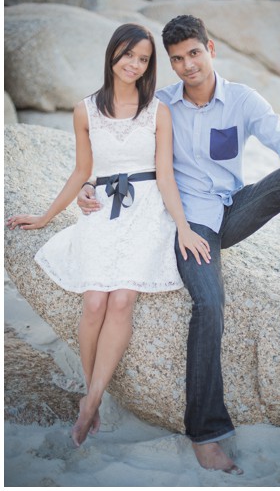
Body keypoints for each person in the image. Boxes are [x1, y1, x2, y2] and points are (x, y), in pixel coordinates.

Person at [75, 15, 280, 475]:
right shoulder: (160, 105)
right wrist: (88, 183)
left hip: (231, 210)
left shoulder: (241, 99)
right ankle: (204, 432)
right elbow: (112, 142)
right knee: (209, 303)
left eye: (194, 54)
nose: (187, 66)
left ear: (211, 49)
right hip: (190, 224)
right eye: (177, 59)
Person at [6, 24, 211, 448]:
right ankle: (92, 392)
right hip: (104, 208)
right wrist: (45, 216)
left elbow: (167, 176)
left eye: (143, 59)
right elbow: (82, 172)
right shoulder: (85, 110)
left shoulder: (158, 111)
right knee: (94, 298)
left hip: (148, 208)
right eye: (127, 55)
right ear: (112, 55)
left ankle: (91, 400)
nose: (134, 65)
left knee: (122, 298)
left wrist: (185, 228)